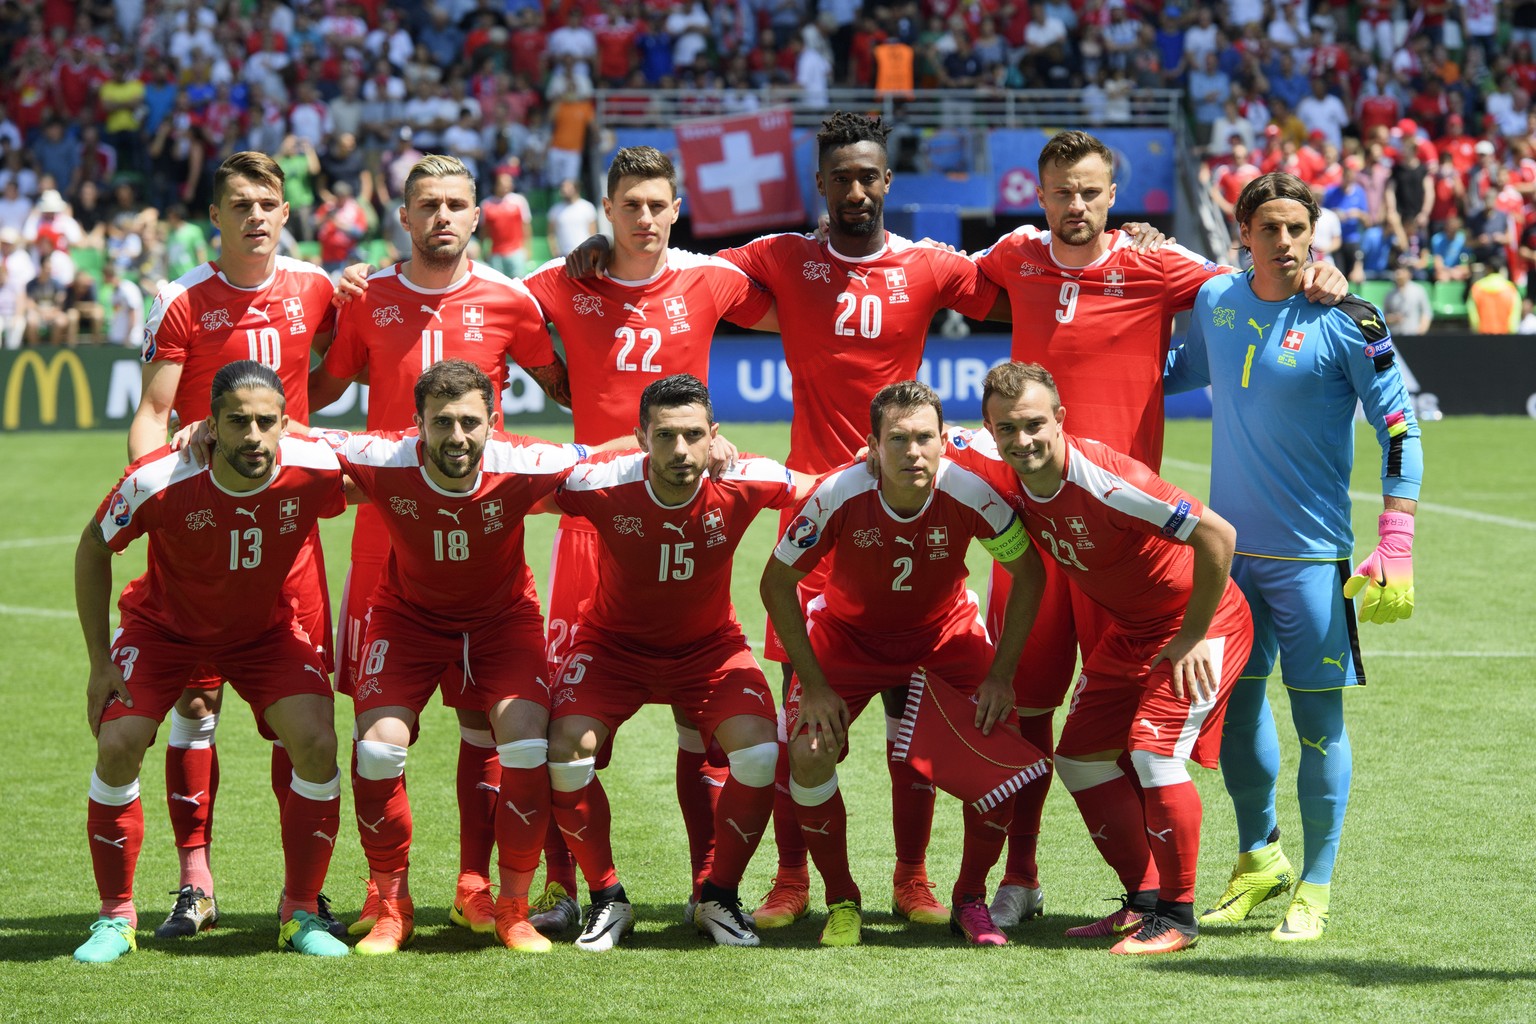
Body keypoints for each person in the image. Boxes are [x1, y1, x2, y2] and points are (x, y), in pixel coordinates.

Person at [968, 129, 1346, 929]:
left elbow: (1252, 285)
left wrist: (1316, 270)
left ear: (1115, 198)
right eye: (1062, 191)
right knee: (1029, 709)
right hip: (1032, 532)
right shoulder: (1012, 255)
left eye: (1091, 191)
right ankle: (1021, 875)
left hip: (1126, 540)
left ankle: (1152, 899)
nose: (1076, 205)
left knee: (1136, 727)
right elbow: (943, 285)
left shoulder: (1159, 264)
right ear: (1038, 196)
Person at [310, 153, 571, 940]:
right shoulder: (368, 297)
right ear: (404, 214)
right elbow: (313, 392)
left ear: (477, 213)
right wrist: (327, 294)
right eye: (429, 204)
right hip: (384, 543)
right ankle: (383, 893)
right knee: (378, 735)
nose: (444, 218)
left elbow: (570, 386)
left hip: (483, 537)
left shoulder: (509, 299)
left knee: (489, 727)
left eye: (458, 203)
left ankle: (473, 884)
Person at [521, 146, 776, 930]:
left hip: (680, 503)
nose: (644, 219)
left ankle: (710, 888)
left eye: (657, 204)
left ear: (676, 208)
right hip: (590, 522)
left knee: (700, 726)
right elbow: (489, 305)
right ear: (607, 208)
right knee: (564, 716)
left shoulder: (709, 278)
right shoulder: (566, 279)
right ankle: (567, 890)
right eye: (629, 204)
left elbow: (793, 292)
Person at [1165, 171, 1423, 942]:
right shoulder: (1217, 302)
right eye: (1268, 229)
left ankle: (1317, 884)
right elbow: (1164, 372)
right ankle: (1259, 860)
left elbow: (1400, 424)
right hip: (1229, 560)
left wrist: (1397, 539)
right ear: (1243, 233)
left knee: (1318, 723)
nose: (1284, 243)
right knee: (1235, 713)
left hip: (1313, 561)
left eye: (1297, 230)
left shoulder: (1352, 318)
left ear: (1316, 235)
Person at [943, 361, 1253, 954]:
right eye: (1006, 429)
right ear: (990, 429)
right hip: (1132, 630)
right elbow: (925, 434)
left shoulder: (1108, 479)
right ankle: (1142, 900)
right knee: (1080, 758)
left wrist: (1190, 636)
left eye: (1034, 424)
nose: (1022, 440)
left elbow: (1219, 536)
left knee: (1153, 755)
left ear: (1060, 419)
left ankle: (1177, 917)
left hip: (1199, 624)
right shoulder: (986, 455)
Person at [130, 151, 343, 940]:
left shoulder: (317, 288)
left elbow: (336, 373)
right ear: (213, 217)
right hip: (200, 528)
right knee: (195, 698)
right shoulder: (178, 298)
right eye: (241, 204)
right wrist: (156, 486)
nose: (257, 215)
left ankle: (303, 897)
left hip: (288, 537)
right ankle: (196, 882)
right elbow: (154, 411)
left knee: (306, 714)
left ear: (287, 213)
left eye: (269, 202)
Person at [73, 362, 350, 963]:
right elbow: (94, 545)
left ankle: (300, 910)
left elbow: (395, 473)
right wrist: (100, 662)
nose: (253, 435)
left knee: (316, 741)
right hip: (163, 629)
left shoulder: (316, 464)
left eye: (266, 422)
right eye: (237, 421)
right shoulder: (158, 479)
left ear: (284, 424)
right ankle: (115, 918)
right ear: (210, 426)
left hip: (262, 632)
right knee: (118, 742)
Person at [760, 380, 1043, 948]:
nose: (913, 452)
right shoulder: (838, 493)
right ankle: (841, 897)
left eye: (924, 439)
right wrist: (813, 684)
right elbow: (776, 582)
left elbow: (1031, 573)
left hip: (941, 637)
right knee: (807, 753)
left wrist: (1001, 675)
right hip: (849, 637)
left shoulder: (970, 493)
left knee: (1003, 749)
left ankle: (963, 896)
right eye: (898, 440)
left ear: (944, 441)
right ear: (872, 446)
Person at [327, 360, 590, 955]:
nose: (457, 437)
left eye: (470, 422)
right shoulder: (382, 455)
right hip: (408, 619)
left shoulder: (525, 460)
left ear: (494, 422)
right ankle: (392, 905)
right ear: (417, 423)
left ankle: (511, 908)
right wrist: (204, 433)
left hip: (501, 622)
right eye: (441, 422)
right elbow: (286, 439)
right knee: (376, 748)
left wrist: (711, 439)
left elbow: (613, 455)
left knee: (525, 745)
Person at [544, 374, 805, 950]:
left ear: (715, 436)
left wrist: (876, 458)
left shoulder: (744, 478)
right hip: (613, 647)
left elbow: (823, 489)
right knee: (564, 749)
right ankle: (606, 900)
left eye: (693, 436)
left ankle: (719, 897)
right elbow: (526, 486)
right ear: (641, 437)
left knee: (761, 751)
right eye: (665, 436)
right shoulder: (604, 480)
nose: (681, 451)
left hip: (707, 648)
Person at [480, 167, 532, 278]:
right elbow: (484, 231)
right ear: (495, 184)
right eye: (502, 183)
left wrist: (527, 249)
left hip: (516, 252)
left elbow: (526, 226)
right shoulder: (486, 205)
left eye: (508, 182)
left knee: (518, 285)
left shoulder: (520, 201)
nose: (505, 185)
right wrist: (484, 250)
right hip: (496, 254)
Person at [1467, 255, 1522, 334]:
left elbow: (1473, 314)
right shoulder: (1511, 289)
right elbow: (1515, 315)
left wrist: (1477, 329)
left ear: (1489, 269)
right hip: (1505, 336)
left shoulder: (1477, 288)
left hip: (1483, 336)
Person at [546, 177, 598, 259]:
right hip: (563, 256)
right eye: (562, 187)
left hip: (584, 254)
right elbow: (551, 234)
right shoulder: (555, 210)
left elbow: (593, 233)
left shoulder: (588, 207)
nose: (564, 190)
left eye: (567, 187)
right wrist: (554, 251)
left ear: (576, 189)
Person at [1382, 263, 1432, 336]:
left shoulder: (1418, 290)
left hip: (1414, 333)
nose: (1399, 275)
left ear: (1409, 274)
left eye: (1402, 271)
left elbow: (1426, 312)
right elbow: (1384, 317)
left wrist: (1422, 329)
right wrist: (1392, 318)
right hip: (1395, 335)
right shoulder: (1390, 293)